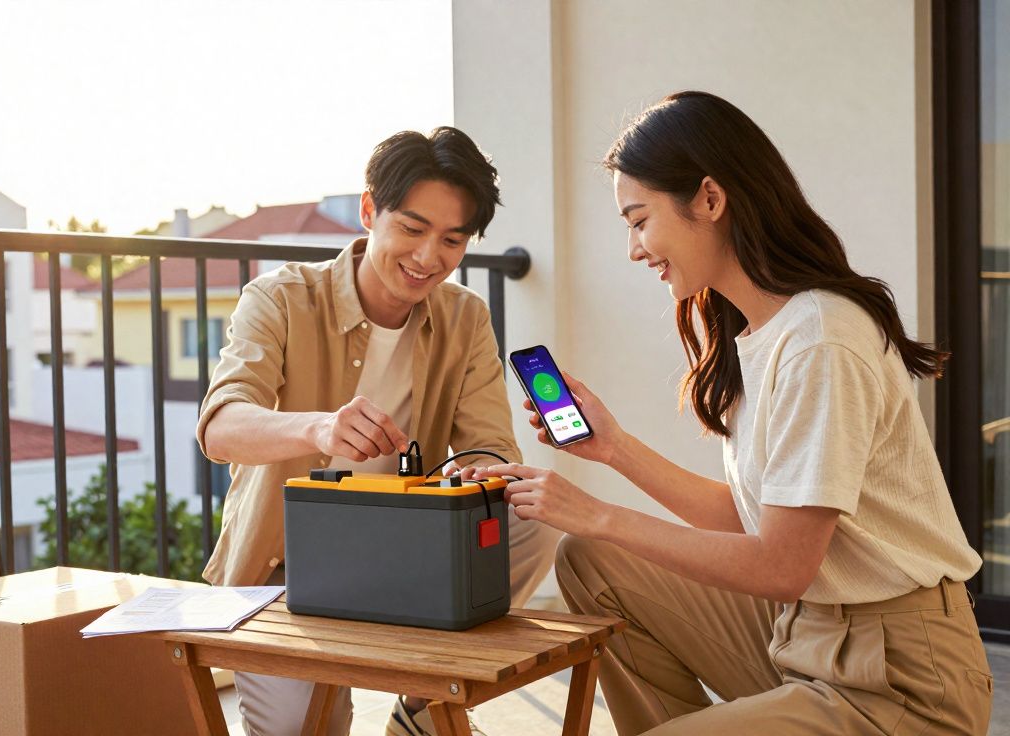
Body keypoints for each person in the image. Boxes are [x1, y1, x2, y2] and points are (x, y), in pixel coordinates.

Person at [479, 91, 993, 734]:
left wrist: (600, 513)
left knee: (597, 535)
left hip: (901, 681)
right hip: (807, 637)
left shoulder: (821, 339)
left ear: (710, 199)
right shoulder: (760, 332)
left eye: (639, 220)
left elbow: (781, 566)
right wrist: (615, 449)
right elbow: (757, 521)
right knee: (591, 561)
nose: (634, 249)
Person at [198, 126, 560, 736]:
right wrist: (318, 429)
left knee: (530, 516)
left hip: (408, 548)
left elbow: (494, 448)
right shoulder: (279, 298)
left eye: (452, 240)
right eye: (412, 229)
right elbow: (220, 426)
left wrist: (478, 472)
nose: (428, 257)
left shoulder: (465, 317)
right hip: (285, 568)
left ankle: (421, 705)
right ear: (369, 211)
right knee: (299, 730)